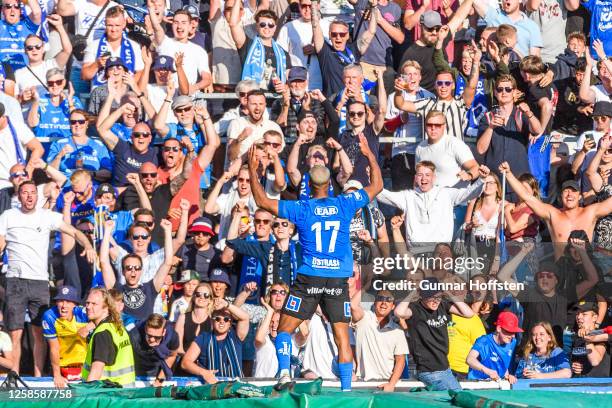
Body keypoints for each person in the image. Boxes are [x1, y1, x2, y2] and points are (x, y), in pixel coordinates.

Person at [249, 132, 383, 391]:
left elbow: (261, 201)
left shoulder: (301, 208)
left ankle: (285, 373)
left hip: (309, 277)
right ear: (330, 186)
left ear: (308, 186)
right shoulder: (345, 204)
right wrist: (368, 154)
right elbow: (377, 185)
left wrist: (252, 169)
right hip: (336, 280)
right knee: (343, 338)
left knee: (285, 328)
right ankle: (345, 389)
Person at [0, 180, 94, 375]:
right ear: (19, 196)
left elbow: (74, 231)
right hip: (15, 280)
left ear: (37, 195)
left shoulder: (47, 216)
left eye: (33, 192)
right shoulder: (8, 216)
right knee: (15, 332)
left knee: (39, 332)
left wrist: (88, 245)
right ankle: (15, 376)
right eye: (25, 193)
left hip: (39, 281)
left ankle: (37, 376)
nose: (29, 196)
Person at [499, 161, 612, 258]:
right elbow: (526, 196)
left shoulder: (590, 212)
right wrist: (508, 174)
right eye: (566, 191)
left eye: (573, 191)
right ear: (560, 196)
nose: (569, 194)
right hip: (562, 271)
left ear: (580, 196)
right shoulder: (552, 214)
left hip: (587, 269)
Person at [377, 160, 488, 246]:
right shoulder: (407, 196)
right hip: (416, 253)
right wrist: (369, 182)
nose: (423, 178)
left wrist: (482, 179)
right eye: (420, 175)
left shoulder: (445, 193)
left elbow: (469, 194)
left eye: (427, 175)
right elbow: (383, 195)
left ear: (434, 178)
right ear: (415, 178)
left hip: (441, 253)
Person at [394, 277, 475, 391]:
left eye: (438, 297)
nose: (435, 301)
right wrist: (413, 292)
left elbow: (469, 313)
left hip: (445, 368)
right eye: (431, 297)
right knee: (458, 396)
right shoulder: (416, 309)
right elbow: (399, 312)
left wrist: (447, 293)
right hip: (428, 371)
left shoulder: (443, 305)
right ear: (422, 296)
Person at [100, 218, 174, 321]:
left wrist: (167, 231)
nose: (133, 271)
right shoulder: (117, 288)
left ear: (141, 271)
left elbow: (168, 262)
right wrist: (107, 231)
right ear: (123, 271)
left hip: (144, 332)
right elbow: (104, 262)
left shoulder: (150, 288)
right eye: (129, 268)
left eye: (137, 268)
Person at [181, 298, 250, 383]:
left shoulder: (236, 336)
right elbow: (185, 363)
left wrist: (226, 304)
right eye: (217, 319)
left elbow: (245, 317)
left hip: (236, 387)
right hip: (213, 388)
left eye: (226, 319)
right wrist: (203, 373)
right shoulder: (203, 338)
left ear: (230, 323)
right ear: (212, 321)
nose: (222, 322)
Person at [351, 290, 408, 391]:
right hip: (362, 382)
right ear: (374, 302)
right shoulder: (364, 318)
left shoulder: (398, 330)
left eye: (388, 300)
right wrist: (364, 285)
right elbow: (353, 306)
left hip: (386, 383)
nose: (384, 303)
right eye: (380, 299)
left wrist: (391, 384)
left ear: (393, 306)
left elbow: (400, 360)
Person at [81, 287, 136, 386]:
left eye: (94, 304)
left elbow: (96, 372)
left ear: (106, 307)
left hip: (110, 396)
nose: (88, 307)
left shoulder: (102, 333)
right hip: (125, 392)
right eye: (87, 303)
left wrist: (86, 396)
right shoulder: (117, 327)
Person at [150, 8, 212, 93]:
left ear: (190, 26)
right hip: (165, 95)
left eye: (183, 23)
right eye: (176, 22)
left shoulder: (199, 51)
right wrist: (151, 7)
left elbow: (207, 79)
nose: (179, 26)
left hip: (186, 99)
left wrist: (193, 88)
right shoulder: (165, 42)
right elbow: (156, 27)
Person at [81, 6, 144, 89]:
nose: (113, 29)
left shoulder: (134, 46)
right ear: (105, 24)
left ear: (124, 24)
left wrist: (123, 87)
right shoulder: (94, 45)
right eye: (110, 25)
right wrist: (97, 64)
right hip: (101, 96)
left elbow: (139, 72)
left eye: (117, 25)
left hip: (125, 96)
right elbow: (84, 76)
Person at [0, 102, 44, 215]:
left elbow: (38, 148)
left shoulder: (17, 127)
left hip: (14, 183)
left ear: (3, 117)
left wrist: (27, 172)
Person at [415, 110, 479, 187]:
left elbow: (475, 167)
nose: (433, 128)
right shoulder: (420, 147)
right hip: (429, 197)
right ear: (425, 126)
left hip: (455, 196)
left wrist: (468, 176)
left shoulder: (454, 144)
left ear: (444, 126)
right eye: (429, 125)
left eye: (437, 125)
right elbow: (417, 178)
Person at [42, 285, 91, 388]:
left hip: (85, 365)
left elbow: (106, 316)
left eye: (68, 301)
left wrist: (89, 326)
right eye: (60, 301)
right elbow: (54, 348)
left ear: (75, 304)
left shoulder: (83, 313)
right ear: (56, 303)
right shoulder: (49, 316)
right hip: (63, 367)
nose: (64, 305)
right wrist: (57, 375)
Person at [466, 311, 522, 381]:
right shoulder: (484, 341)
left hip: (497, 384)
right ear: (499, 329)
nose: (513, 336)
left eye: (514, 332)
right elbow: (469, 359)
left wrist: (508, 376)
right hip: (477, 383)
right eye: (509, 332)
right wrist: (487, 371)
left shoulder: (512, 342)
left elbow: (503, 363)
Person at [129, 313, 179, 385]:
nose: (152, 340)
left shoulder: (172, 336)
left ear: (164, 332)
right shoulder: (134, 335)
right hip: (137, 361)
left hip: (158, 363)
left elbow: (172, 356)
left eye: (157, 337)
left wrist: (159, 380)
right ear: (145, 329)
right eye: (149, 335)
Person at [571, 302, 611, 377]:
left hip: (598, 385)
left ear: (594, 317)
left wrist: (587, 338)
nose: (579, 317)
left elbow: (595, 361)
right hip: (580, 384)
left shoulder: (601, 336)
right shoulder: (576, 338)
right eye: (577, 314)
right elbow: (575, 360)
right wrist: (574, 366)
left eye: (584, 314)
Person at [175, 282, 214, 355]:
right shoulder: (182, 318)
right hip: (183, 359)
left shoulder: (213, 322)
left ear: (210, 300)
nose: (202, 297)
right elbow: (178, 348)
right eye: (198, 294)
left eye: (206, 295)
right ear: (193, 297)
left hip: (203, 363)